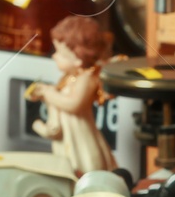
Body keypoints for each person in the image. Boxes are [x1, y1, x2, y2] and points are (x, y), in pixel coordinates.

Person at [30, 15, 115, 176]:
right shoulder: (70, 77)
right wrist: (44, 94)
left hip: (80, 138)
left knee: (86, 168)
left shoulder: (86, 78)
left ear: (78, 59)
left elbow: (73, 104)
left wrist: (49, 93)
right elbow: (60, 100)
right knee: (67, 172)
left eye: (60, 54)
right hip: (67, 139)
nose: (54, 56)